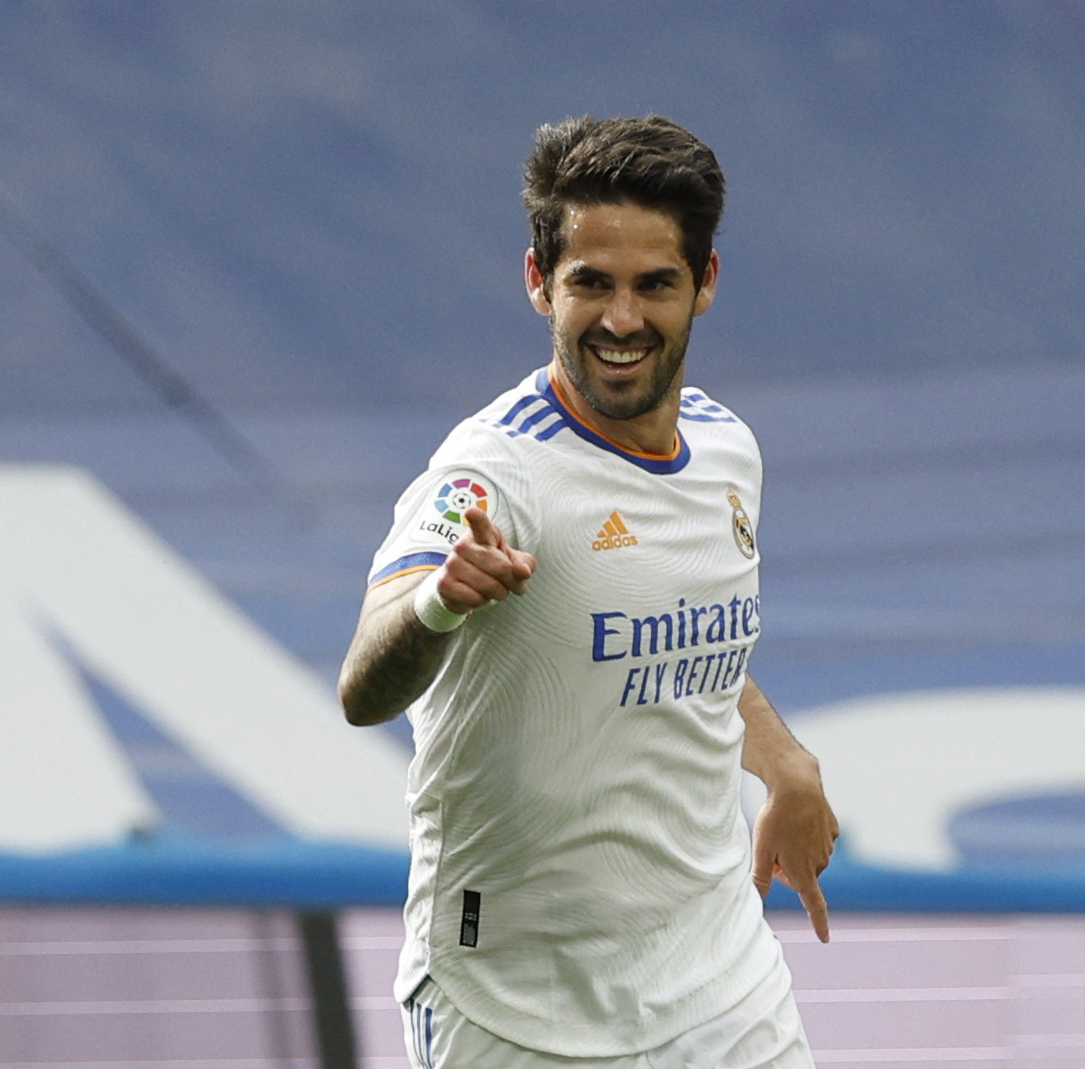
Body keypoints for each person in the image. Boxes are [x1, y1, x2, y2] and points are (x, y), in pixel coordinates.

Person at [337, 115, 839, 1068]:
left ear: (706, 285)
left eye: (655, 284)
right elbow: (363, 686)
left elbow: (678, 631)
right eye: (590, 284)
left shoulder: (729, 449)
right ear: (538, 285)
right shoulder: (495, 475)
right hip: (517, 1010)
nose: (621, 319)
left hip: (721, 985)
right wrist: (441, 599)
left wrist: (782, 758)